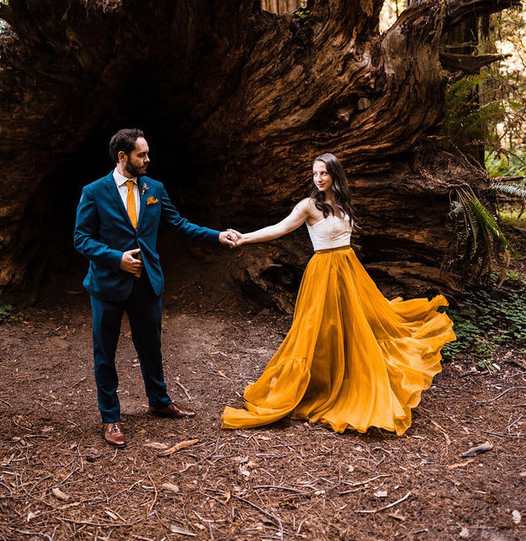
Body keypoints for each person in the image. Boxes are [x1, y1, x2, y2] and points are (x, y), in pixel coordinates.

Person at [222, 153, 455, 436]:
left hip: (348, 268)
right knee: (318, 329)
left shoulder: (343, 202)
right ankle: (318, 385)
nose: (319, 179)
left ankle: (353, 378)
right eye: (315, 174)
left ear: (335, 174)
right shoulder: (309, 205)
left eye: (324, 173)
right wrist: (245, 237)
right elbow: (280, 228)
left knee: (357, 326)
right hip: (323, 271)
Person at [74, 128, 238, 448]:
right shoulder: (94, 191)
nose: (148, 159)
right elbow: (81, 239)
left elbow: (178, 224)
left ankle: (159, 402)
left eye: (147, 153)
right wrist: (116, 259)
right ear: (123, 157)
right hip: (107, 285)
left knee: (151, 346)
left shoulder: (154, 188)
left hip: (147, 283)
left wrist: (216, 236)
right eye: (142, 155)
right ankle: (111, 418)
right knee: (104, 353)